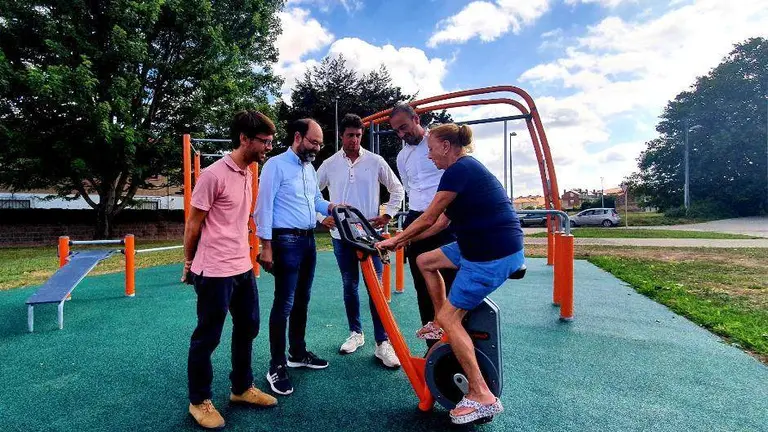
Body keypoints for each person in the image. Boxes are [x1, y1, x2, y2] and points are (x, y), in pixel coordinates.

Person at [376, 123, 524, 425]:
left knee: (451, 319)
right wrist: (401, 242)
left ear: (446, 146)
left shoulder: (459, 170)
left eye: (431, 149)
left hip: (491, 255)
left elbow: (429, 216)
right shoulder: (460, 172)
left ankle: (482, 395)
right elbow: (440, 224)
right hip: (479, 245)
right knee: (426, 261)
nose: (429, 156)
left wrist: (394, 241)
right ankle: (437, 320)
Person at [183, 110, 278, 430]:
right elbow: (193, 224)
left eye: (270, 141)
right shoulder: (212, 175)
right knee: (207, 337)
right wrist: (188, 262)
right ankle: (199, 401)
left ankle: (241, 388)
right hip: (213, 270)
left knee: (249, 326)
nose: (268, 147)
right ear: (244, 139)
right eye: (264, 141)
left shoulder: (250, 173)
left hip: (241, 266)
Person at [255, 118, 340, 396]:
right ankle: (276, 365)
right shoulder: (275, 166)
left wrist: (332, 206)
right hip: (285, 241)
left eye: (320, 143)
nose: (317, 147)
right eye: (313, 142)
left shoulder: (309, 168)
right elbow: (263, 207)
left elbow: (315, 200)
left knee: (302, 299)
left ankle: (298, 353)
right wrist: (265, 246)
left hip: (307, 240)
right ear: (297, 137)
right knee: (284, 303)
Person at [316, 113, 405, 368]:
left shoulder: (375, 161)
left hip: (368, 236)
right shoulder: (330, 164)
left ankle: (382, 343)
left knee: (375, 287)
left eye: (358, 135)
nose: (354, 140)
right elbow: (308, 192)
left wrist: (388, 212)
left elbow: (397, 188)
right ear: (341, 136)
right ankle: (356, 333)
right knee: (349, 284)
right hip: (340, 236)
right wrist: (322, 218)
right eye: (349, 135)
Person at [389, 103, 457, 347]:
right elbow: (409, 188)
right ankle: (434, 347)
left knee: (451, 285)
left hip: (445, 219)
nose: (402, 134)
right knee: (422, 286)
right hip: (418, 217)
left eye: (404, 127)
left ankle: (456, 342)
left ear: (416, 119)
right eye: (397, 130)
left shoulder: (438, 144)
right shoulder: (401, 156)